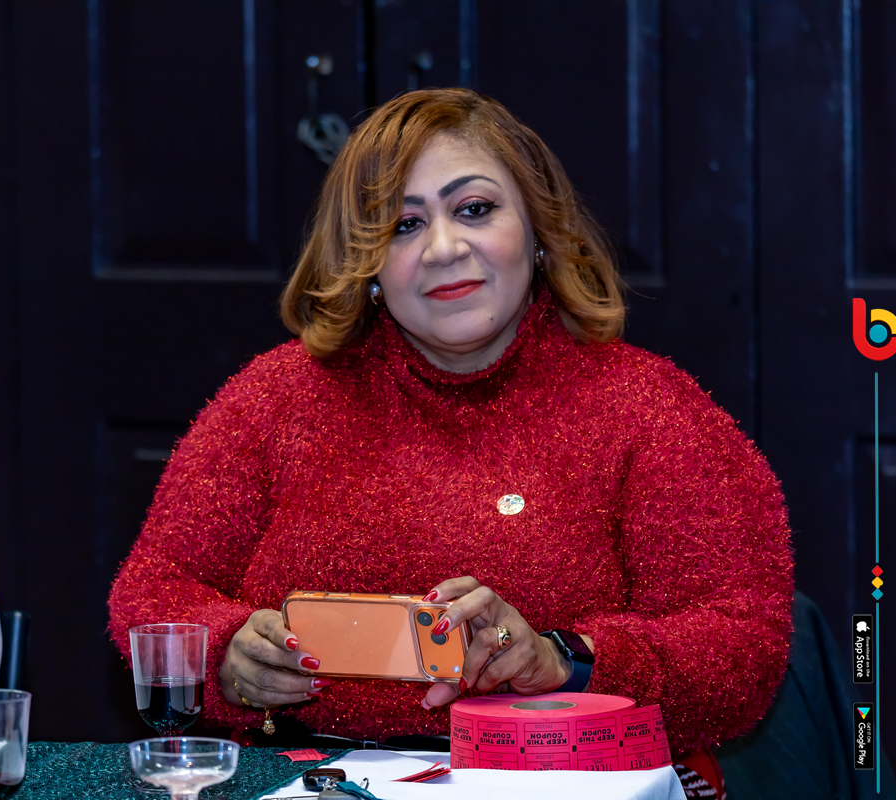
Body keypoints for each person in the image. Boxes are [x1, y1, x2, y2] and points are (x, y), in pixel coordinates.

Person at [108, 89, 792, 776]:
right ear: (367, 265)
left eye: (474, 209)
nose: (443, 248)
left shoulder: (649, 408)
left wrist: (564, 659)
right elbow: (153, 589)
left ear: (538, 227)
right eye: (404, 225)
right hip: (309, 778)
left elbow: (745, 646)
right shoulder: (275, 398)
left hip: (561, 779)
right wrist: (228, 655)